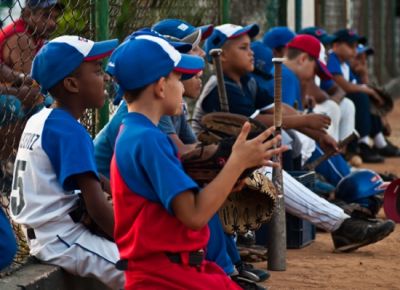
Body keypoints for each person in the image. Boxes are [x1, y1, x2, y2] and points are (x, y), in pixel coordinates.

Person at [193, 23, 395, 253]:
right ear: (222, 55)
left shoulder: (246, 81)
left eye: (250, 47)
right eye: (243, 48)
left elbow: (278, 109)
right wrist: (304, 122)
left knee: (275, 160)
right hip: (214, 166)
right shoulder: (221, 86)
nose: (252, 52)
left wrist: (317, 134)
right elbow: (253, 124)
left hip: (233, 161)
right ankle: (341, 224)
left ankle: (340, 222)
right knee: (269, 168)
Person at [95, 22, 269, 290]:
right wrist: (236, 163)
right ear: (160, 86)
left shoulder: (134, 132)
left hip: (168, 271)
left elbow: (177, 207)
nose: (184, 83)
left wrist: (225, 181)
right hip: (167, 277)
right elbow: (194, 215)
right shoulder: (149, 140)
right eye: (179, 78)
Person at [9, 35, 124, 289]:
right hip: (62, 238)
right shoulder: (69, 130)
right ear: (72, 84)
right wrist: (131, 240)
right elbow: (96, 206)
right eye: (96, 71)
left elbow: (93, 180)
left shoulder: (43, 118)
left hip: (47, 232)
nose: (105, 77)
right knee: (141, 270)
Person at [0, 0, 63, 192]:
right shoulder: (22, 38)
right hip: (7, 97)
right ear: (27, 14)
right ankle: (10, 164)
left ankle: (32, 164)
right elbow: (31, 88)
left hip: (8, 90)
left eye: (54, 17)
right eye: (45, 16)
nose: (52, 23)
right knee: (17, 106)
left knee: (47, 106)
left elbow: (32, 86)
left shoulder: (38, 37)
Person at [327, 28, 400, 162]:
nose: (354, 50)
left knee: (364, 96)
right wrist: (369, 90)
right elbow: (345, 86)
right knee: (361, 96)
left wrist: (367, 85)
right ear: (336, 46)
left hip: (340, 101)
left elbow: (358, 85)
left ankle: (375, 140)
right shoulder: (332, 59)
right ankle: (362, 143)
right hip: (330, 100)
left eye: (355, 46)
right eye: (350, 46)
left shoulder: (344, 64)